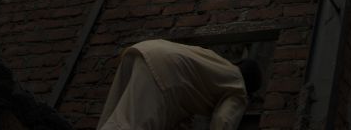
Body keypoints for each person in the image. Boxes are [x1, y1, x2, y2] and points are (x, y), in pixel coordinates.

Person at [97, 39, 262, 130]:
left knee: (115, 118)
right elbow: (223, 121)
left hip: (145, 50)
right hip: (165, 71)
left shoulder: (218, 63)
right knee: (135, 125)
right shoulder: (239, 88)